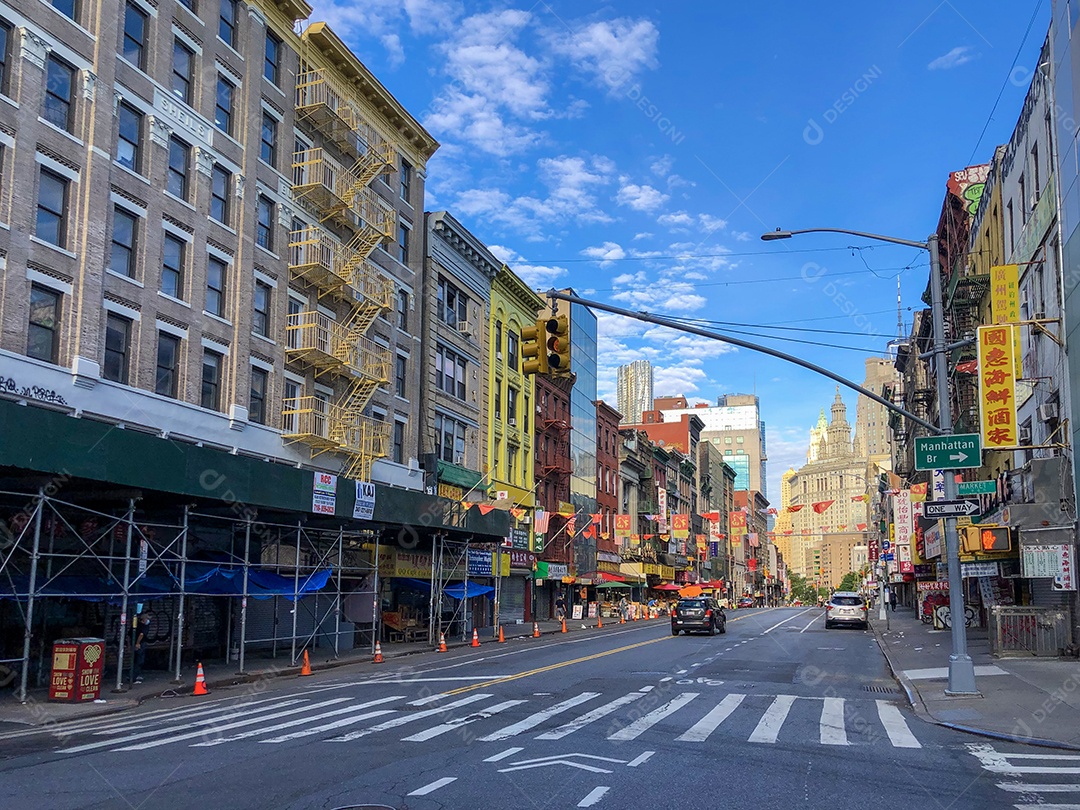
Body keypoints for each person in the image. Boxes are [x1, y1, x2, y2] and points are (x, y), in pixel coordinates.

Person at [133, 614, 150, 684]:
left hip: (135, 643)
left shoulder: (136, 625)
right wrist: (138, 643)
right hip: (140, 644)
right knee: (140, 661)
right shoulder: (143, 627)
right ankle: (134, 677)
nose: (148, 620)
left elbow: (129, 634)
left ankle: (135, 675)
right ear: (144, 619)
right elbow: (141, 635)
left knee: (135, 660)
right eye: (147, 619)